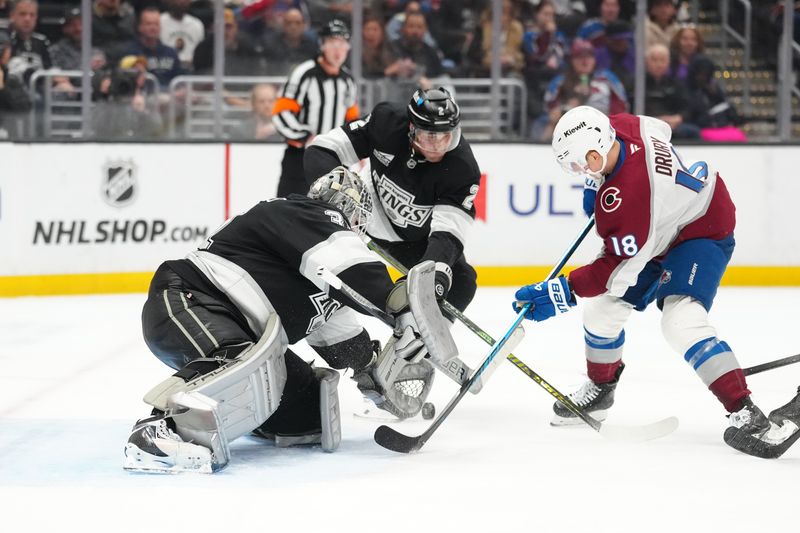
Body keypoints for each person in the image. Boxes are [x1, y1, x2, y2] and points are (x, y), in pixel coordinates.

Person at [511, 106, 800, 458]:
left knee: (681, 321)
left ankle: (746, 411)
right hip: (659, 224)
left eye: (580, 165)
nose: (579, 172)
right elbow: (660, 128)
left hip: (699, 228)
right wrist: (598, 181)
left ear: (595, 153)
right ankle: (601, 390)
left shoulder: (632, 197)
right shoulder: (619, 126)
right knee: (601, 311)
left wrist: (561, 292)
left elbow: (614, 270)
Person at [124, 167, 446, 473]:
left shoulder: (322, 265)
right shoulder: (304, 214)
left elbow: (345, 345)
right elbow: (356, 268)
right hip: (189, 299)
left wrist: (379, 371)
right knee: (240, 362)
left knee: (307, 407)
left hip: (239, 334)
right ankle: (158, 430)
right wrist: (401, 306)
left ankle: (249, 417)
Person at [304, 87, 481, 314]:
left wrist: (430, 271)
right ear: (412, 128)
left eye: (447, 136)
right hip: (357, 216)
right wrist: (331, 185)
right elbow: (323, 148)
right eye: (431, 136)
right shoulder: (387, 122)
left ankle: (416, 332)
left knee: (462, 281)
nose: (439, 145)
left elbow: (448, 233)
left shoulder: (462, 169)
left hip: (411, 241)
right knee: (317, 262)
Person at [271, 19, 358, 197]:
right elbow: (281, 113)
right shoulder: (304, 74)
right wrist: (305, 137)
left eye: (342, 44)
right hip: (300, 158)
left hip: (335, 159)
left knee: (333, 211)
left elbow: (352, 119)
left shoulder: (348, 81)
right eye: (333, 43)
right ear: (322, 45)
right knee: (289, 208)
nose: (338, 50)